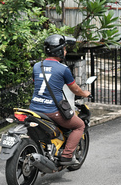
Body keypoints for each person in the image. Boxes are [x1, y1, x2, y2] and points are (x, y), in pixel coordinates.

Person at [29, 34, 90, 165]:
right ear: (59, 51)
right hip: (51, 111)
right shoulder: (63, 69)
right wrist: (84, 93)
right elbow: (74, 89)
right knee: (79, 125)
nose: (66, 51)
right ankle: (67, 156)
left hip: (34, 109)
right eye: (64, 49)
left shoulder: (36, 66)